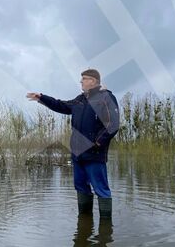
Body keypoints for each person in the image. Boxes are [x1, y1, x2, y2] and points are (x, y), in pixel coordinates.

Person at [26, 68, 120, 219]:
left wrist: (97, 143)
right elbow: (61, 105)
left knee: (101, 189)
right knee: (81, 188)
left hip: (94, 154)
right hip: (78, 154)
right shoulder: (80, 99)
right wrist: (42, 98)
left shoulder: (105, 97)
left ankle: (106, 228)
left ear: (93, 81)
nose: (81, 81)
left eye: (84, 79)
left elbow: (112, 124)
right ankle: (84, 223)